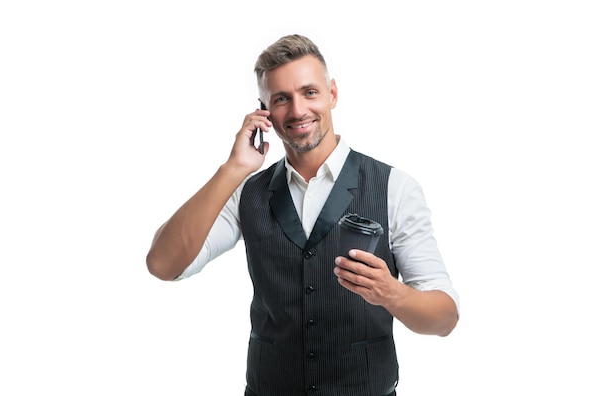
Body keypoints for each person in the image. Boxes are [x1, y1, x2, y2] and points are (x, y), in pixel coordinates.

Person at [146, 34, 459, 396]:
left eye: (309, 92)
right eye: (281, 99)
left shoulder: (395, 187)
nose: (297, 111)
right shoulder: (246, 191)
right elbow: (163, 265)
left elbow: (445, 319)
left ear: (333, 94)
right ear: (263, 110)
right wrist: (233, 168)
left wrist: (392, 294)